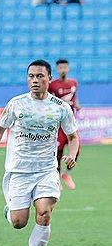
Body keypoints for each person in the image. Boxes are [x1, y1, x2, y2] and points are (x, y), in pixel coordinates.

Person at [0, 59, 79, 246]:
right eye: (31, 76)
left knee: (44, 213)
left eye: (40, 76)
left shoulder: (61, 108)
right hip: (19, 170)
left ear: (50, 79)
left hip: (47, 170)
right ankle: (10, 212)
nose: (35, 80)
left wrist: (72, 154)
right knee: (19, 223)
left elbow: (73, 136)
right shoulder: (16, 104)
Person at [48, 58, 81, 189]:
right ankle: (56, 178)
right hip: (59, 124)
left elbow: (74, 97)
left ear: (68, 68)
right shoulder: (52, 85)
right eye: (60, 68)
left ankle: (66, 174)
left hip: (71, 123)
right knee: (58, 151)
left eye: (65, 67)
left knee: (76, 149)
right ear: (57, 69)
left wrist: (77, 105)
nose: (63, 70)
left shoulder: (73, 83)